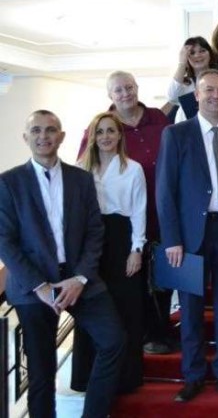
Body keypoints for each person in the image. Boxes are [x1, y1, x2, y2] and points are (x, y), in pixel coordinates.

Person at [0, 110, 125, 418]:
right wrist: (40, 286)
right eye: (36, 130)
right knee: (41, 371)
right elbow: (5, 241)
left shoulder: (80, 178)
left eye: (50, 130)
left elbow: (95, 231)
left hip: (78, 278)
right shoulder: (8, 183)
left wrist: (80, 278)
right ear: (26, 137)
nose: (44, 136)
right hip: (33, 286)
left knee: (114, 341)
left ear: (62, 136)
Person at [156, 69, 218, 402]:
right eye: (208, 90)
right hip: (187, 236)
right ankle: (193, 375)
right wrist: (171, 239)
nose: (215, 96)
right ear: (196, 95)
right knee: (190, 311)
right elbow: (165, 191)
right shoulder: (175, 134)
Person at [77, 71, 173, 354]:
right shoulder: (102, 126)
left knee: (161, 280)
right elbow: (81, 177)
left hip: (160, 214)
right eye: (118, 90)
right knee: (129, 284)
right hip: (117, 224)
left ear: (137, 88)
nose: (125, 94)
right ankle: (134, 336)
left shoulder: (158, 118)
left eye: (129, 87)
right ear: (110, 95)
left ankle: (159, 332)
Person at [71, 112, 146, 395]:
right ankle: (86, 377)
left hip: (121, 241)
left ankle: (125, 379)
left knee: (124, 308)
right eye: (100, 131)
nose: (105, 137)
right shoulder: (80, 169)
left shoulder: (133, 169)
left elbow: (139, 210)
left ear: (119, 135)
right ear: (92, 137)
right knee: (90, 310)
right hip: (89, 244)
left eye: (111, 131)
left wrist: (136, 249)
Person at [167, 36, 216, 121]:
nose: (197, 55)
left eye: (202, 51)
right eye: (192, 53)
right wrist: (182, 63)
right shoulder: (184, 84)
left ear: (210, 54)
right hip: (187, 127)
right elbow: (172, 97)